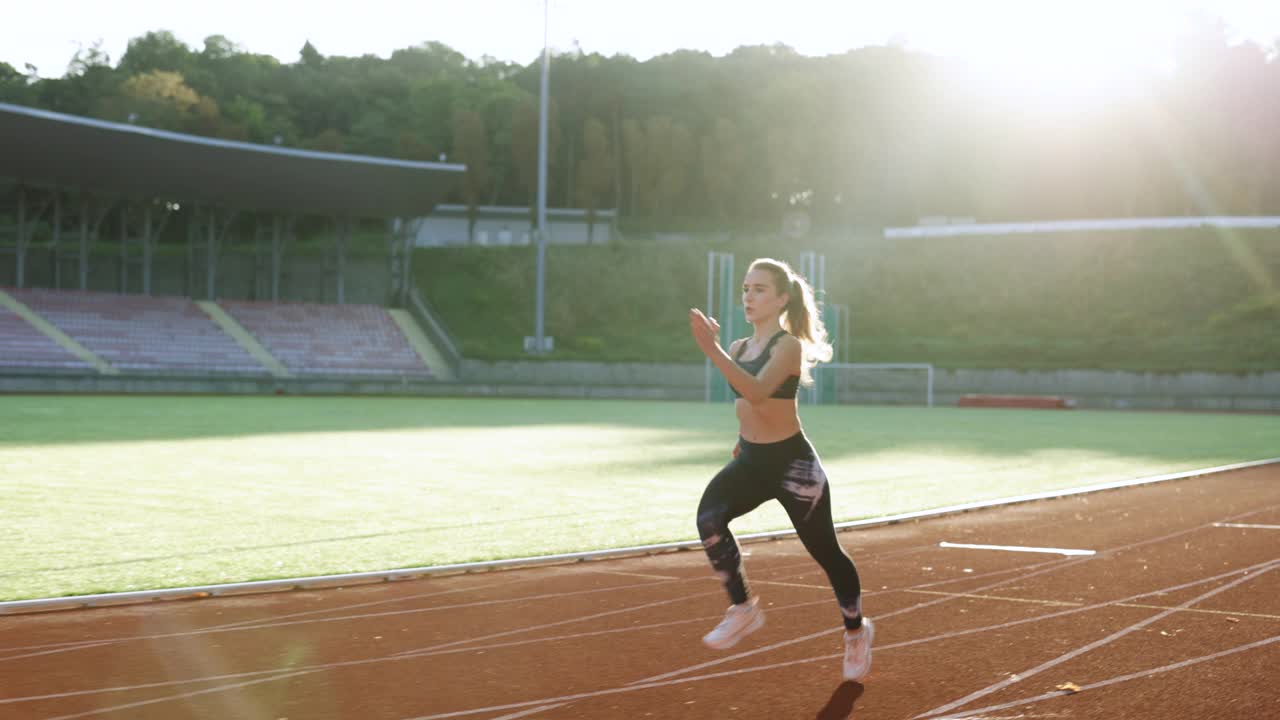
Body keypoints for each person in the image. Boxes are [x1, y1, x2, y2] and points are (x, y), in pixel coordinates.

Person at [687, 257, 873, 682]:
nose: (748, 297)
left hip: (794, 467)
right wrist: (742, 439)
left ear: (782, 299)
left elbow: (755, 391)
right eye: (746, 289)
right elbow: (744, 406)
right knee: (709, 518)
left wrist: (710, 349)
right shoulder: (737, 348)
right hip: (752, 461)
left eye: (759, 290)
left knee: (827, 553)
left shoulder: (787, 346)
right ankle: (743, 607)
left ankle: (856, 631)